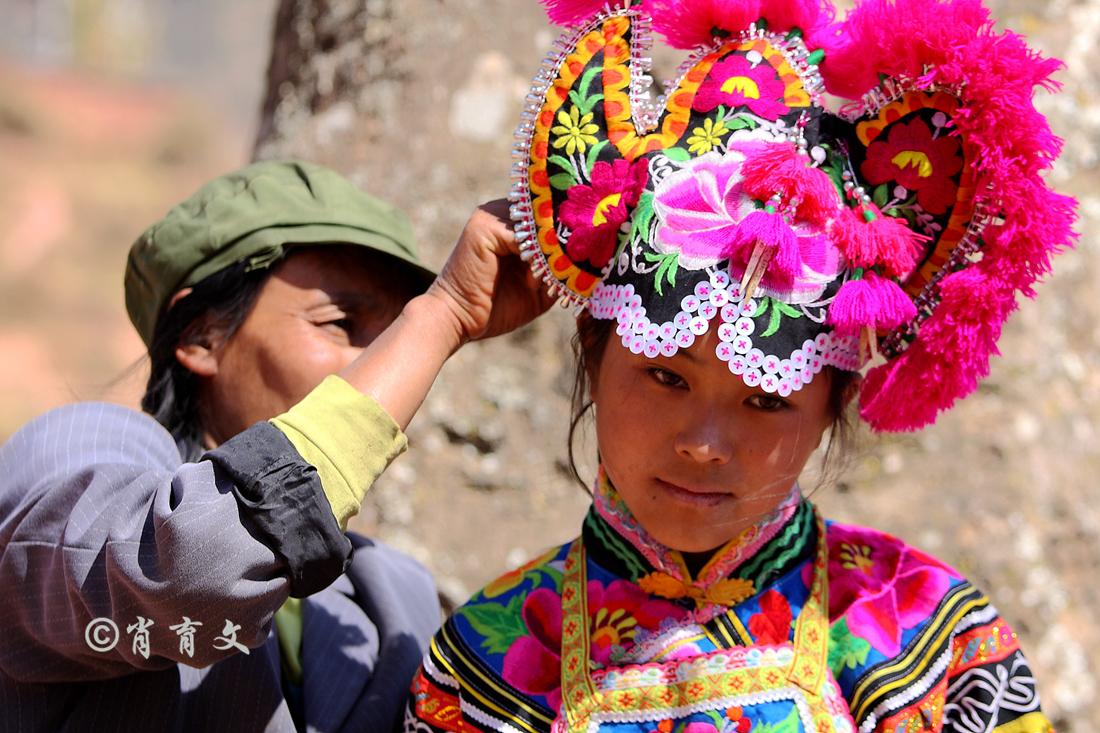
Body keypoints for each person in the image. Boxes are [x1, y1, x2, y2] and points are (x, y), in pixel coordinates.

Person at [406, 0, 1075, 731]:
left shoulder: (936, 645)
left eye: (767, 399)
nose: (703, 441)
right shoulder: (484, 667)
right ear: (594, 358)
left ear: (830, 407)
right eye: (667, 375)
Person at [0, 160, 552, 732]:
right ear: (201, 335)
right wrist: (443, 315)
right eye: (340, 323)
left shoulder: (389, 595)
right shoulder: (78, 455)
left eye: (395, 336)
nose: (386, 366)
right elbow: (188, 570)